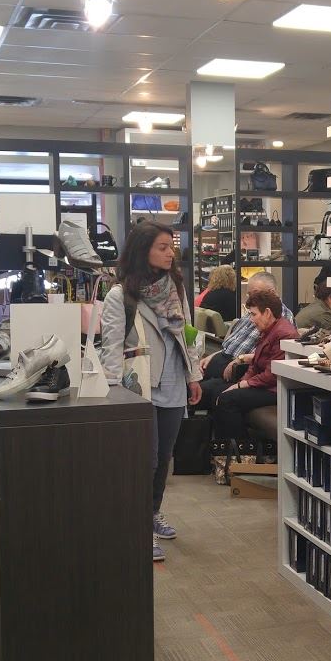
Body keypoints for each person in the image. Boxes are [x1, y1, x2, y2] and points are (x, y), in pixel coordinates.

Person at [97, 222, 201, 564]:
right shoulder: (121, 295)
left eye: (171, 246)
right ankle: (139, 525)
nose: (171, 253)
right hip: (138, 385)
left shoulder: (176, 288)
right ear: (143, 251)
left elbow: (187, 333)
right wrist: (114, 391)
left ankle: (153, 512)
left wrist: (194, 376)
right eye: (162, 247)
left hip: (173, 381)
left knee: (164, 458)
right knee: (146, 458)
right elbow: (111, 346)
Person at [197, 289, 296, 440]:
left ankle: (240, 449)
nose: (251, 319)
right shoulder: (268, 330)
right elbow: (255, 364)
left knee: (227, 400)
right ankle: (222, 447)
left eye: (254, 314)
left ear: (267, 313)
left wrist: (242, 384)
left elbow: (272, 375)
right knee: (217, 392)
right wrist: (242, 382)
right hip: (265, 385)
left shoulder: (283, 334)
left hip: (275, 389)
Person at [199, 271, 293, 385]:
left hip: (239, 368)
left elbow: (270, 357)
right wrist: (213, 356)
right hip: (224, 359)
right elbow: (232, 343)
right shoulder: (252, 313)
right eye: (249, 294)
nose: (251, 298)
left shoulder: (282, 318)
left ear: (271, 292)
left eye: (256, 293)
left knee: (201, 389)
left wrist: (241, 360)